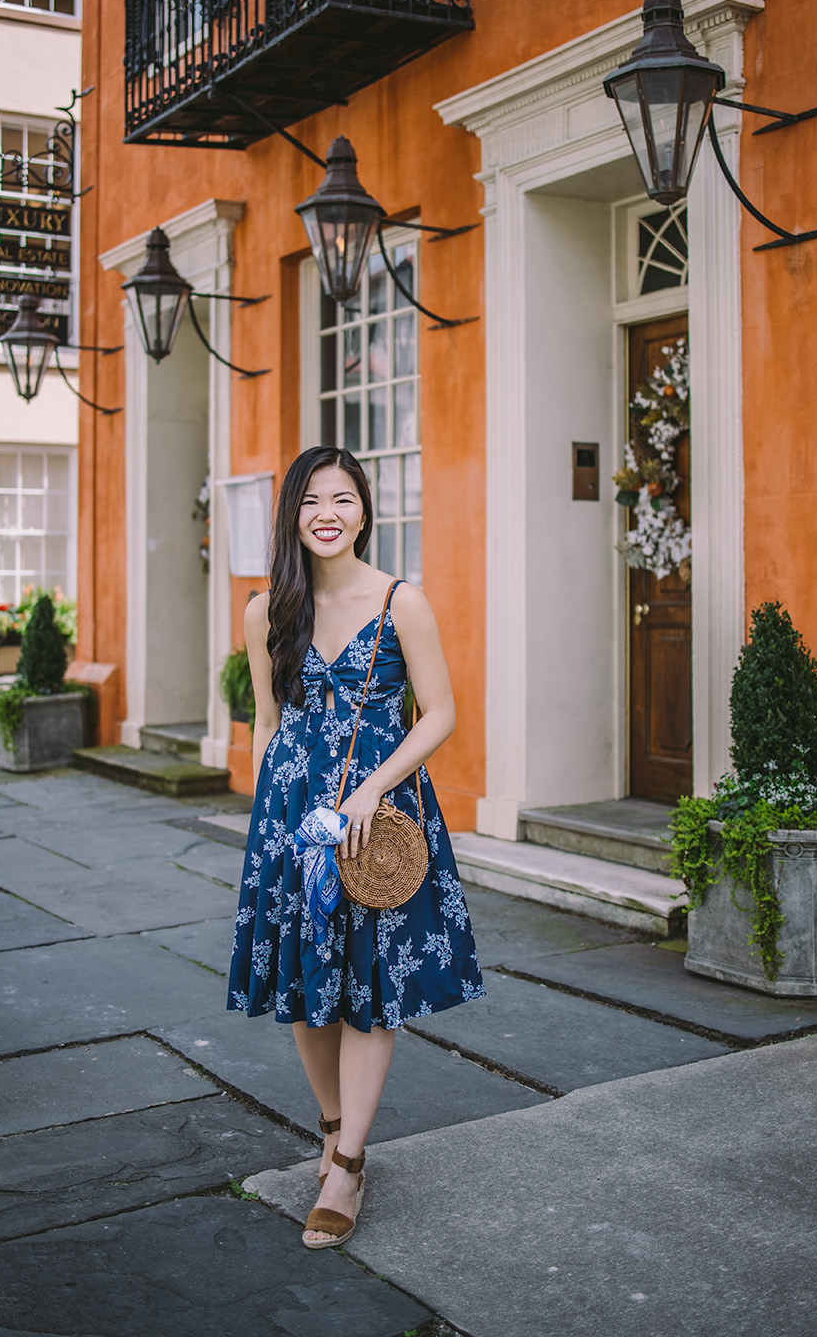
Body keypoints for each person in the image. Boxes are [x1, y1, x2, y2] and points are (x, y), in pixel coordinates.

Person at [227, 445, 484, 1250]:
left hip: (381, 818)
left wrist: (373, 787)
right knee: (307, 980)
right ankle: (333, 1124)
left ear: (365, 510)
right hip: (294, 816)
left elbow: (439, 712)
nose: (326, 515)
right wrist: (267, 821)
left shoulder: (402, 602)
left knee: (371, 980)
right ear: (292, 517)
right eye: (310, 502)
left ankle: (348, 1161)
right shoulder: (266, 610)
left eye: (341, 499)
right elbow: (268, 722)